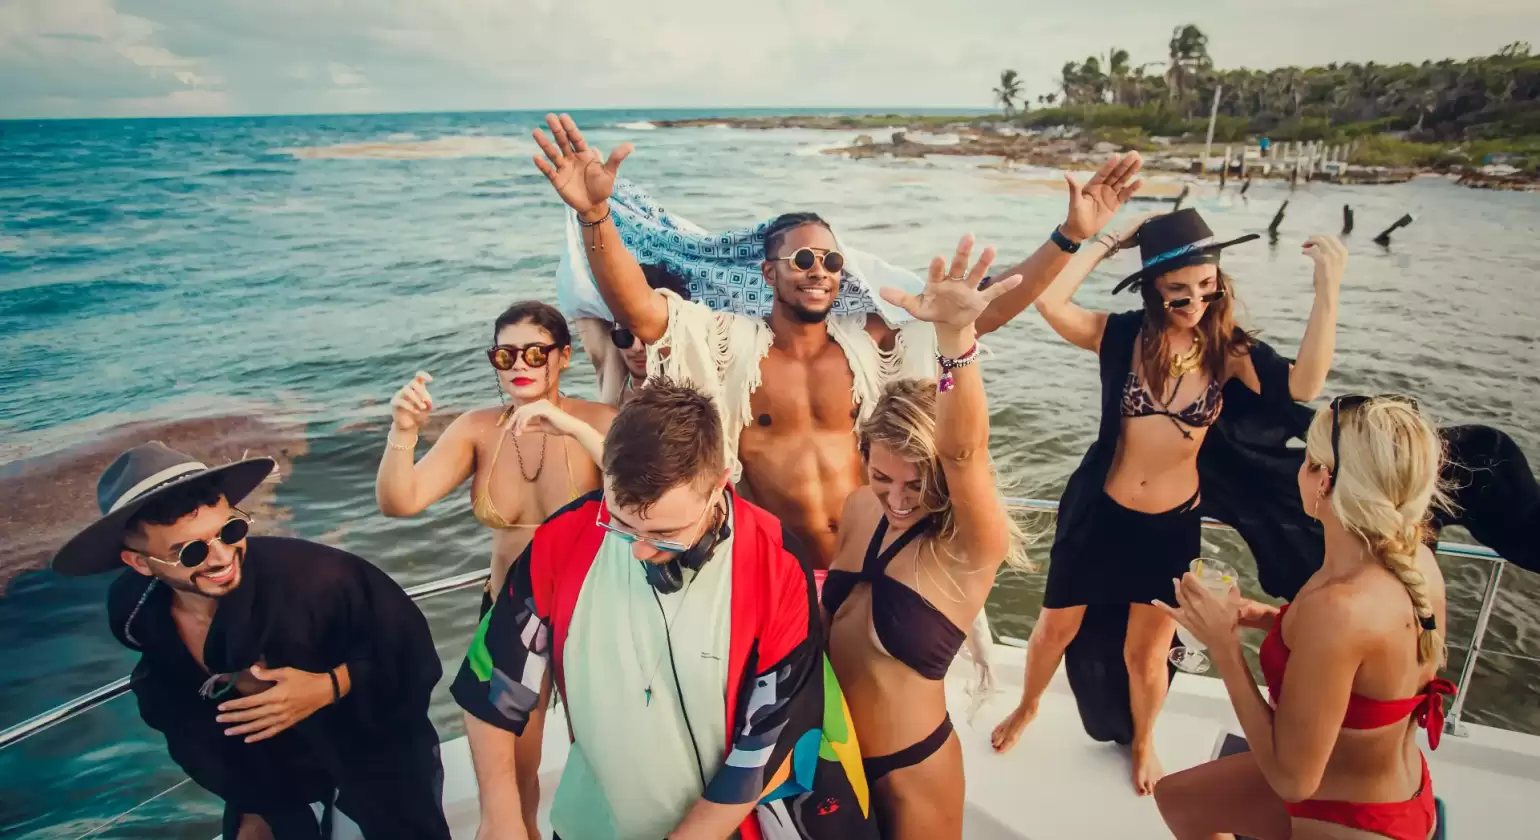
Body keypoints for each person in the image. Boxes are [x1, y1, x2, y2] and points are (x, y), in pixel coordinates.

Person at [528, 112, 1144, 572]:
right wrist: (594, 215)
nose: (819, 269)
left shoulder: (870, 347)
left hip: (868, 559)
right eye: (802, 259)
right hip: (773, 569)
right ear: (768, 272)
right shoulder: (729, 347)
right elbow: (639, 308)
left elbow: (983, 315)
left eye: (831, 259)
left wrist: (1069, 236)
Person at [990, 208, 1347, 795]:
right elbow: (1050, 301)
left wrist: (1327, 289)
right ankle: (1028, 706)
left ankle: (1144, 739)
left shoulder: (1228, 350)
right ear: (1154, 286)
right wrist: (1106, 241)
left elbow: (1304, 386)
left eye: (1207, 286)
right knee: (1054, 629)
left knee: (1147, 652)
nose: (1196, 301)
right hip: (1099, 514)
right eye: (1180, 289)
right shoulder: (1123, 335)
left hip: (1170, 526)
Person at [452, 379, 878, 840]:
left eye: (664, 534)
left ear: (718, 487)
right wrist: (501, 814)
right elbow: (491, 680)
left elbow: (768, 742)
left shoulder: (775, 562)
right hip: (593, 826)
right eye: (619, 523)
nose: (637, 549)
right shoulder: (563, 538)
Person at [52, 442, 450, 840]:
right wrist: (251, 802)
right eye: (191, 552)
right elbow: (173, 696)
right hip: (263, 773)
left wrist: (329, 686)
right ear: (140, 562)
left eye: (231, 531)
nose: (221, 557)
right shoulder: (136, 612)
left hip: (372, 747)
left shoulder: (320, 580)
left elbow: (410, 651)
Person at [1153, 395, 1456, 840]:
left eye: (1307, 458)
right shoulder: (1413, 560)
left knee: (1180, 800)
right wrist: (1265, 617)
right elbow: (1363, 657)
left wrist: (1224, 647)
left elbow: (1292, 781)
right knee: (1175, 797)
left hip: (1352, 818)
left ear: (1323, 480)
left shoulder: (1338, 608)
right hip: (1392, 786)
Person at [375, 298, 614, 838]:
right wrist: (403, 431)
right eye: (505, 356)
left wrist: (568, 426)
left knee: (601, 760)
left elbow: (639, 490)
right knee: (517, 773)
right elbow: (400, 501)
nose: (519, 365)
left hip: (591, 613)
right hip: (511, 617)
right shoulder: (477, 429)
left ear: (564, 356)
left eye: (535, 353)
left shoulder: (599, 422)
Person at [821, 236, 1031, 838]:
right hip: (832, 757)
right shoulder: (860, 508)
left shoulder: (967, 547)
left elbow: (965, 453)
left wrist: (954, 340)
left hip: (911, 771)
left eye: (917, 484)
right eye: (881, 476)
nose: (897, 499)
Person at [576, 262, 694, 406]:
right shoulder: (612, 381)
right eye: (625, 336)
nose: (636, 348)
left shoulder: (689, 397)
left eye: (648, 337)